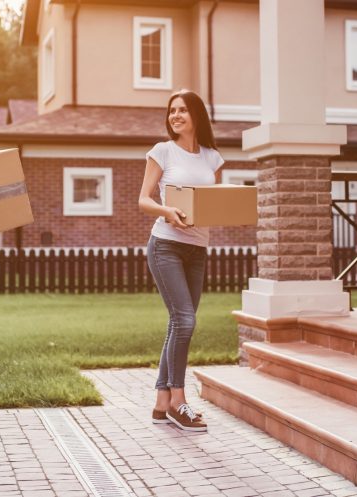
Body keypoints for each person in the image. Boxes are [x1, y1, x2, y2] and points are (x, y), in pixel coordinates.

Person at [137, 90, 224, 432]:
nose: (175, 116)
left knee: (179, 323)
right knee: (185, 321)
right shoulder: (162, 151)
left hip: (198, 249)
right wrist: (166, 211)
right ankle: (178, 401)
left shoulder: (212, 158)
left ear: (196, 116)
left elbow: (213, 203)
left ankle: (161, 404)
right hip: (166, 245)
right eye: (172, 111)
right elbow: (144, 200)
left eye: (183, 110)